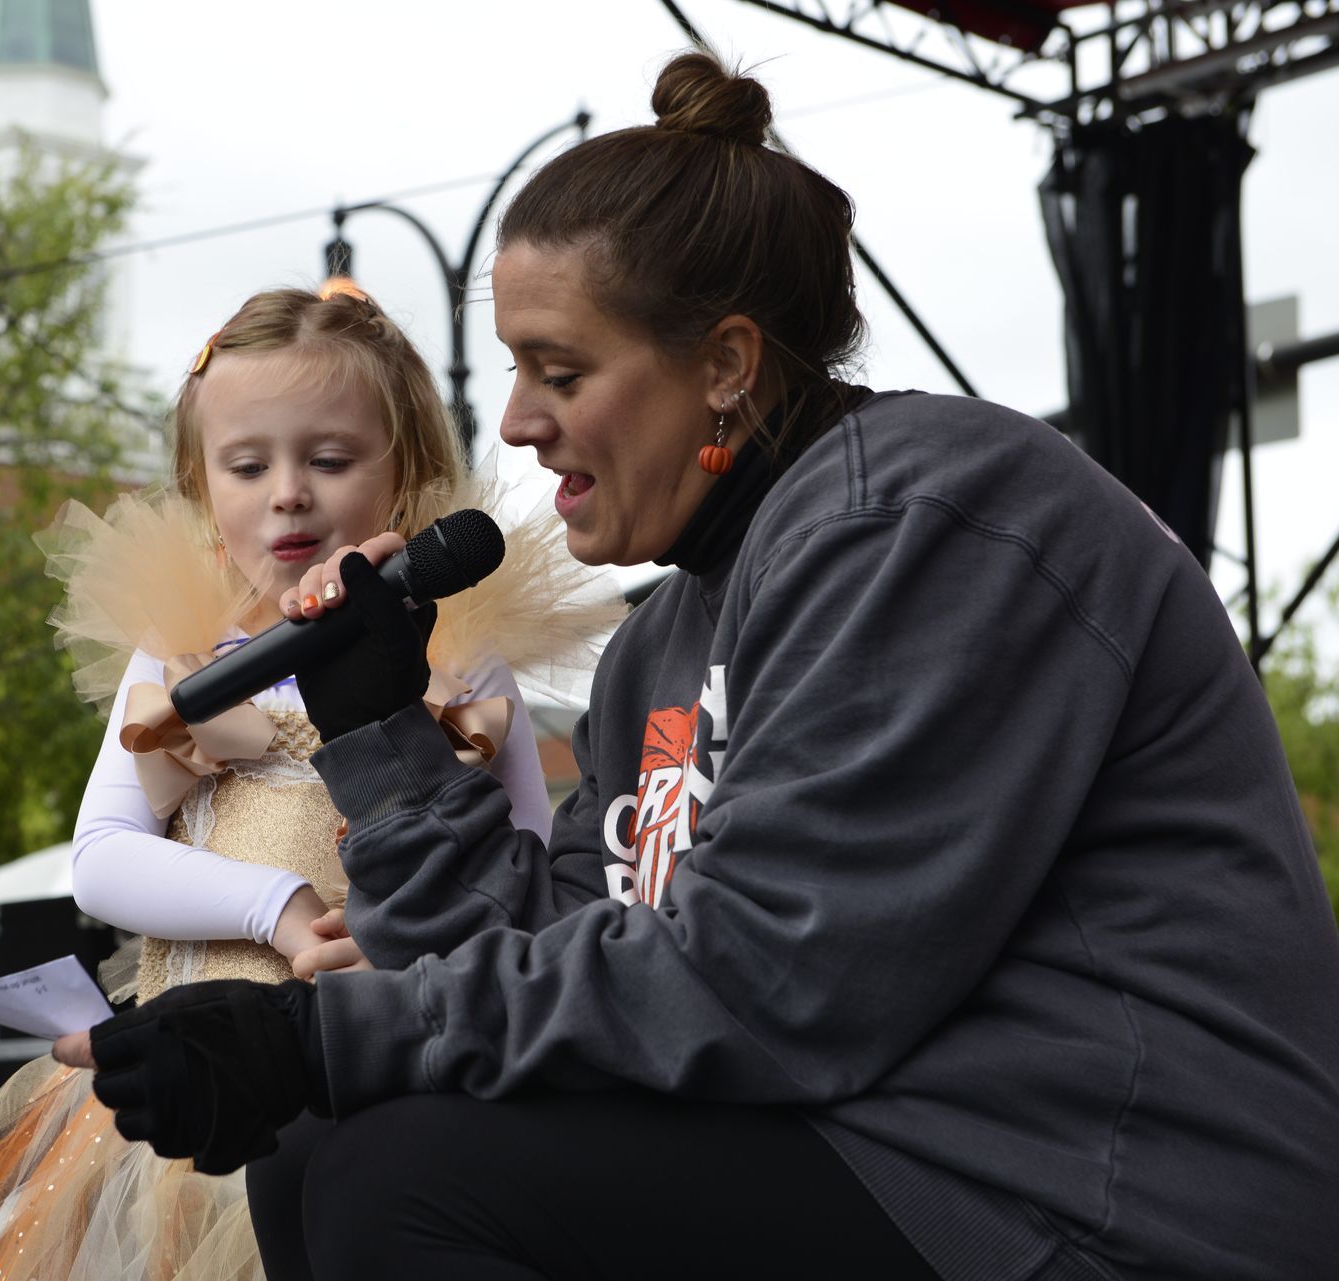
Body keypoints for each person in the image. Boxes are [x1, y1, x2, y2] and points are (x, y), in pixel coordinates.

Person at [76, 54, 1339, 1281]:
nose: (514, 420)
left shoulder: (921, 520)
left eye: (558, 371)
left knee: (398, 1174)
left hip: (1096, 1198)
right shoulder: (664, 640)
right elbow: (528, 961)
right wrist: (385, 736)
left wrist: (323, 1035)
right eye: (513, 368)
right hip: (887, 1150)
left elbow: (775, 982)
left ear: (726, 366)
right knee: (314, 1152)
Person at [0, 286, 615, 1281]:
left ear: (407, 472)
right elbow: (102, 860)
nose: (288, 492)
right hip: (197, 1096)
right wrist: (284, 910)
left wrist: (398, 956)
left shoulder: (462, 660)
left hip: (380, 1079)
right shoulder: (179, 655)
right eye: (248, 465)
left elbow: (521, 885)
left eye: (330, 459)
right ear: (200, 481)